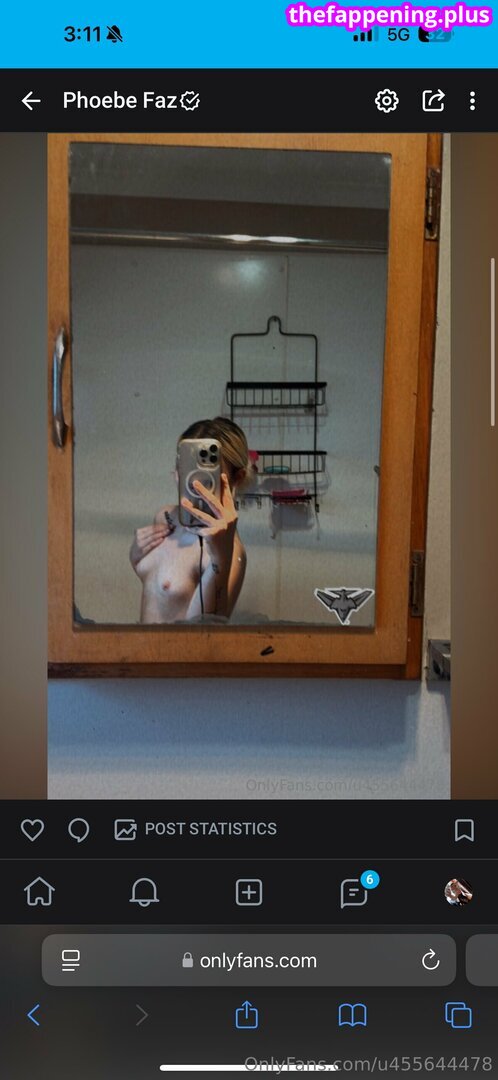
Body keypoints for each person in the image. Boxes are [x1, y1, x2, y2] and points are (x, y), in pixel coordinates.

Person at [130, 417, 251, 623]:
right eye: (185, 467)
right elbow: (159, 590)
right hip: (141, 643)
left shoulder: (231, 552)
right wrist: (135, 557)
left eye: (206, 474)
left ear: (236, 478)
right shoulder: (165, 516)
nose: (193, 482)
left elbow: (202, 631)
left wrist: (220, 559)